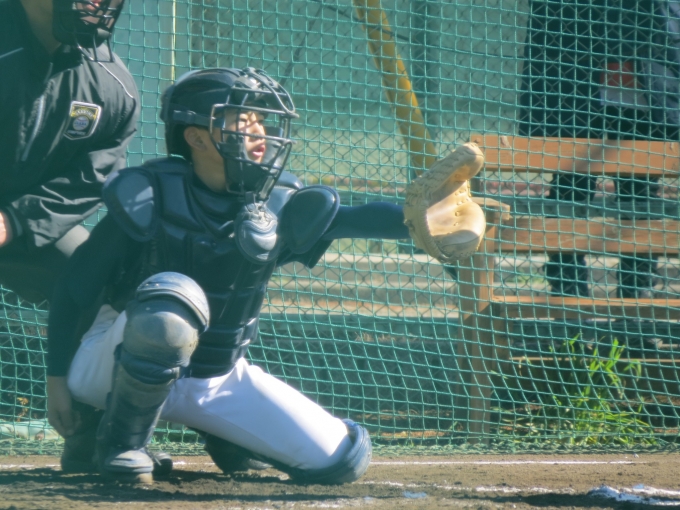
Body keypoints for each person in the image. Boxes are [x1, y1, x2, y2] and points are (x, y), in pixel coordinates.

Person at [45, 67, 487, 484]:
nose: (258, 130)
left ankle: (224, 433)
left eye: (260, 119)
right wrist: (58, 382)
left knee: (340, 460)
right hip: (111, 366)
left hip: (212, 376)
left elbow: (354, 218)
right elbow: (73, 290)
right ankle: (115, 444)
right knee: (173, 302)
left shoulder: (278, 202)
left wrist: (416, 220)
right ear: (196, 137)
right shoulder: (147, 194)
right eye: (242, 120)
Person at [518, 0, 661, 298]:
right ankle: (568, 293)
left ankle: (636, 297)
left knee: (639, 188)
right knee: (571, 184)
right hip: (573, 69)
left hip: (641, 73)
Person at [0, 0, 139, 303]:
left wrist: (14, 219)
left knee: (99, 284)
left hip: (24, 222)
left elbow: (93, 176)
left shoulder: (113, 86)